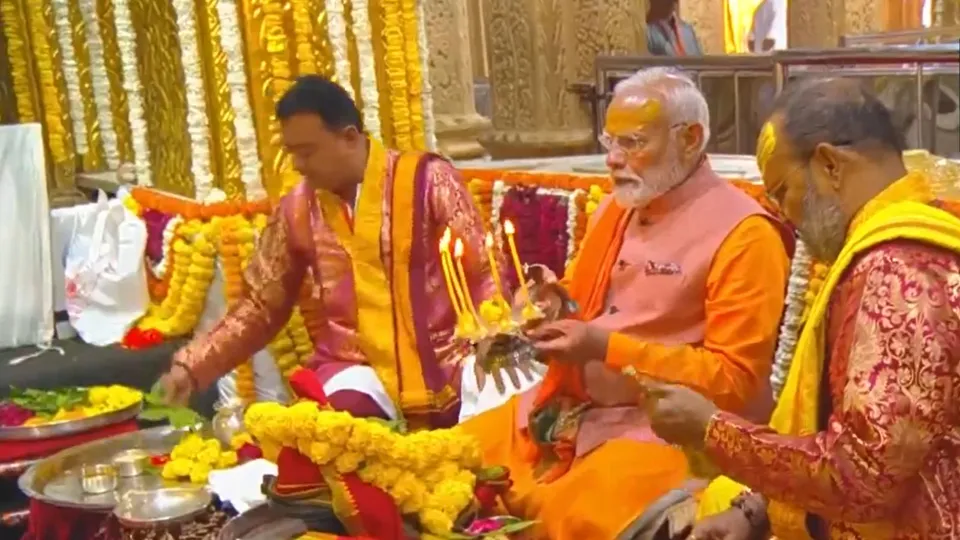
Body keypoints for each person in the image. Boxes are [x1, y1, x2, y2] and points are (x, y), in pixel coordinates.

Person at [459, 67, 792, 539]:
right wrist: (552, 301)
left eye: (633, 143)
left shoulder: (745, 234)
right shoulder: (617, 207)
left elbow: (733, 381)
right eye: (609, 141)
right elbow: (587, 293)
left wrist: (602, 346)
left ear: (691, 138)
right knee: (446, 462)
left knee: (574, 518)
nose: (613, 159)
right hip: (568, 408)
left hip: (663, 431)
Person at [644, 78, 960, 539]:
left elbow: (864, 477)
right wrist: (754, 512)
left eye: (782, 191)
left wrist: (711, 430)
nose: (784, 212)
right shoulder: (888, 246)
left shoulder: (898, 269)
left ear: (829, 164)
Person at [157, 75, 511, 428]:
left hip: (445, 360)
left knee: (511, 412)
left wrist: (493, 339)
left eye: (306, 151)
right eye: (291, 152)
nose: (297, 165)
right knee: (334, 437)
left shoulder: (427, 180)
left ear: (349, 138)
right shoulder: (298, 208)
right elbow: (262, 305)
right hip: (356, 368)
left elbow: (482, 272)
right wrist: (192, 366)